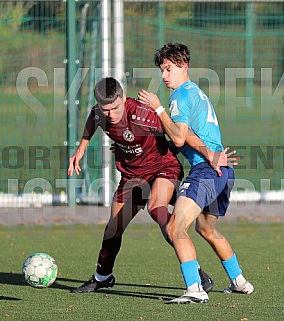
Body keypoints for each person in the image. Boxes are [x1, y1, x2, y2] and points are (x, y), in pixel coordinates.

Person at [68, 77, 226, 294]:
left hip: (163, 167)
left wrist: (209, 154)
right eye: (106, 110)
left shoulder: (144, 114)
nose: (111, 115)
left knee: (159, 211)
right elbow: (92, 121)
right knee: (113, 229)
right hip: (133, 176)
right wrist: (81, 149)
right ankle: (102, 277)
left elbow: (180, 133)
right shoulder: (99, 114)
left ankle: (196, 273)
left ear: (124, 98)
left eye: (115, 108)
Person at [137, 43, 253, 304]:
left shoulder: (179, 96)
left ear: (183, 67)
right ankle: (239, 281)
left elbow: (179, 137)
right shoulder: (195, 92)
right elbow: (185, 136)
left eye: (169, 69)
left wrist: (157, 108)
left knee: (175, 226)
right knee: (207, 230)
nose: (164, 76)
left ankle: (195, 289)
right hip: (222, 171)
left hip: (206, 171)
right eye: (162, 71)